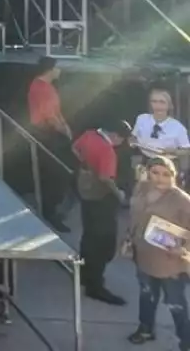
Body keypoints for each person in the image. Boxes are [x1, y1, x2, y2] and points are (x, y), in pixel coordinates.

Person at [125, 155, 190, 346]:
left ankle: (185, 340)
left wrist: (184, 248)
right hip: (144, 257)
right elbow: (134, 217)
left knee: (175, 304)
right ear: (148, 173)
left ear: (174, 175)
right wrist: (128, 239)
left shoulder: (182, 200)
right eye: (155, 173)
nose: (160, 178)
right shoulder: (141, 189)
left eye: (166, 174)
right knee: (146, 296)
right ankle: (145, 330)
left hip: (170, 265)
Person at [74, 121, 132, 305]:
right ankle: (95, 285)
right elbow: (106, 178)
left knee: (88, 234)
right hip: (102, 200)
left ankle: (83, 273)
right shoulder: (107, 151)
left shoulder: (89, 134)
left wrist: (86, 164)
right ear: (116, 135)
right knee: (103, 243)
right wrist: (120, 194)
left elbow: (75, 148)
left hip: (86, 193)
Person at [27, 56, 74, 233]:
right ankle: (50, 211)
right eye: (58, 67)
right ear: (50, 69)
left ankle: (56, 207)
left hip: (54, 132)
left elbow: (56, 112)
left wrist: (66, 127)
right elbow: (50, 117)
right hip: (46, 134)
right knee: (55, 173)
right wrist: (63, 130)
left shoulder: (48, 87)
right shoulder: (40, 88)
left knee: (61, 172)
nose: (60, 71)